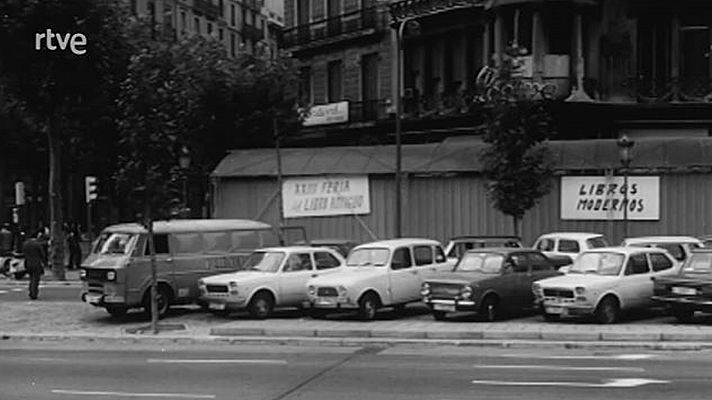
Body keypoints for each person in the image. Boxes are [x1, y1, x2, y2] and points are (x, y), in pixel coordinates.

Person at [22, 231, 47, 300]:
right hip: (36, 263)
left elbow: (23, 253)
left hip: (28, 263)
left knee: (31, 278)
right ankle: (34, 293)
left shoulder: (25, 244)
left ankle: (31, 291)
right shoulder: (37, 244)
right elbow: (42, 254)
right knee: (35, 279)